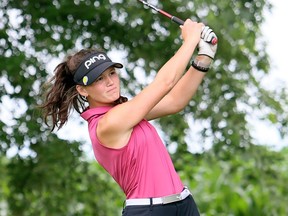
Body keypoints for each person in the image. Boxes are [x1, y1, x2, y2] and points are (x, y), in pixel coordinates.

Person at [41, 19, 217, 216]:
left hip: (184, 204)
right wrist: (190, 40)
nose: (110, 82)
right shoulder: (107, 124)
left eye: (112, 73)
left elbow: (175, 101)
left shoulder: (128, 112)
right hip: (149, 211)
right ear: (82, 90)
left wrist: (205, 56)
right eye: (99, 79)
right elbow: (165, 83)